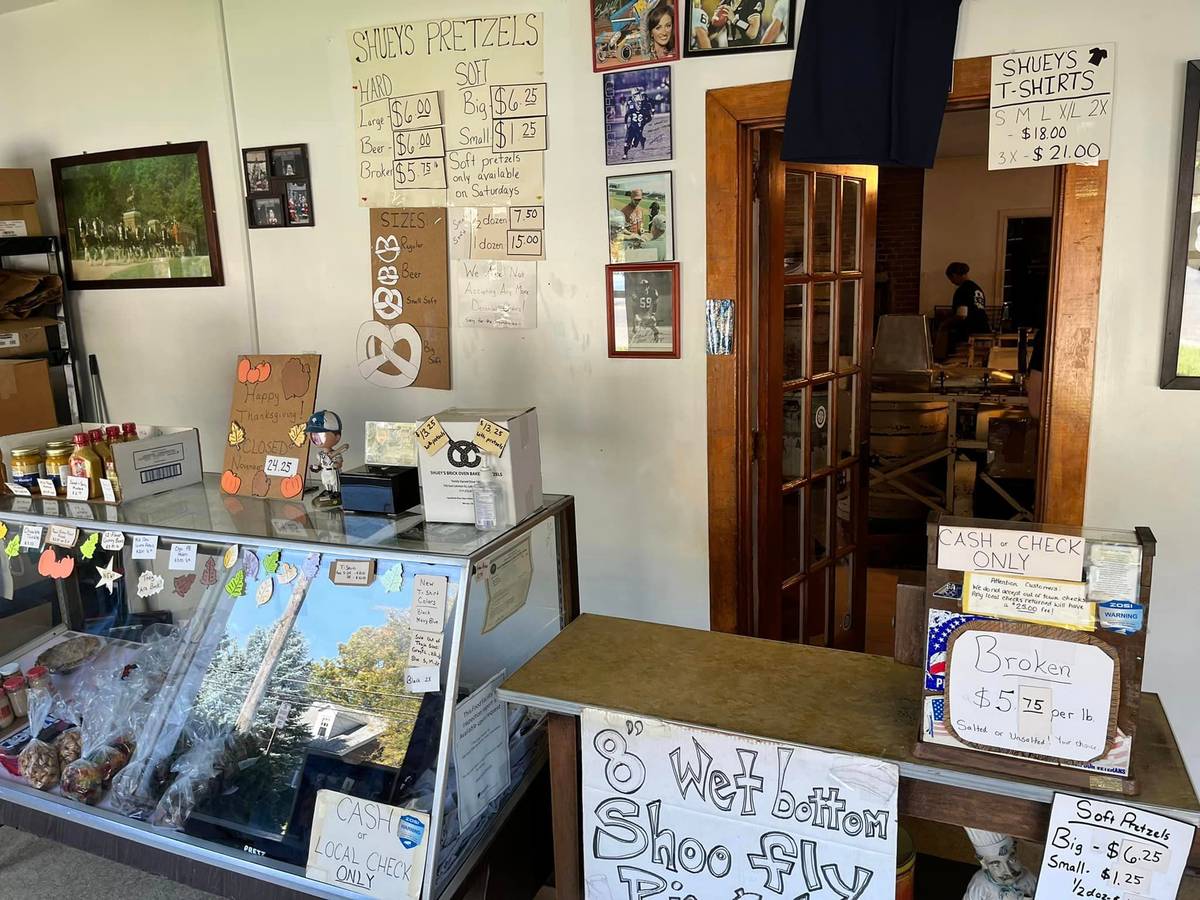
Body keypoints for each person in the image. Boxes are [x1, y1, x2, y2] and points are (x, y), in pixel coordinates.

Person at [934, 261, 991, 360]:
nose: (952, 282)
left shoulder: (961, 290)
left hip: (969, 334)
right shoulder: (977, 289)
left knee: (962, 361)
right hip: (984, 332)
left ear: (954, 275)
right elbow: (974, 308)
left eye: (951, 279)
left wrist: (945, 323)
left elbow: (962, 315)